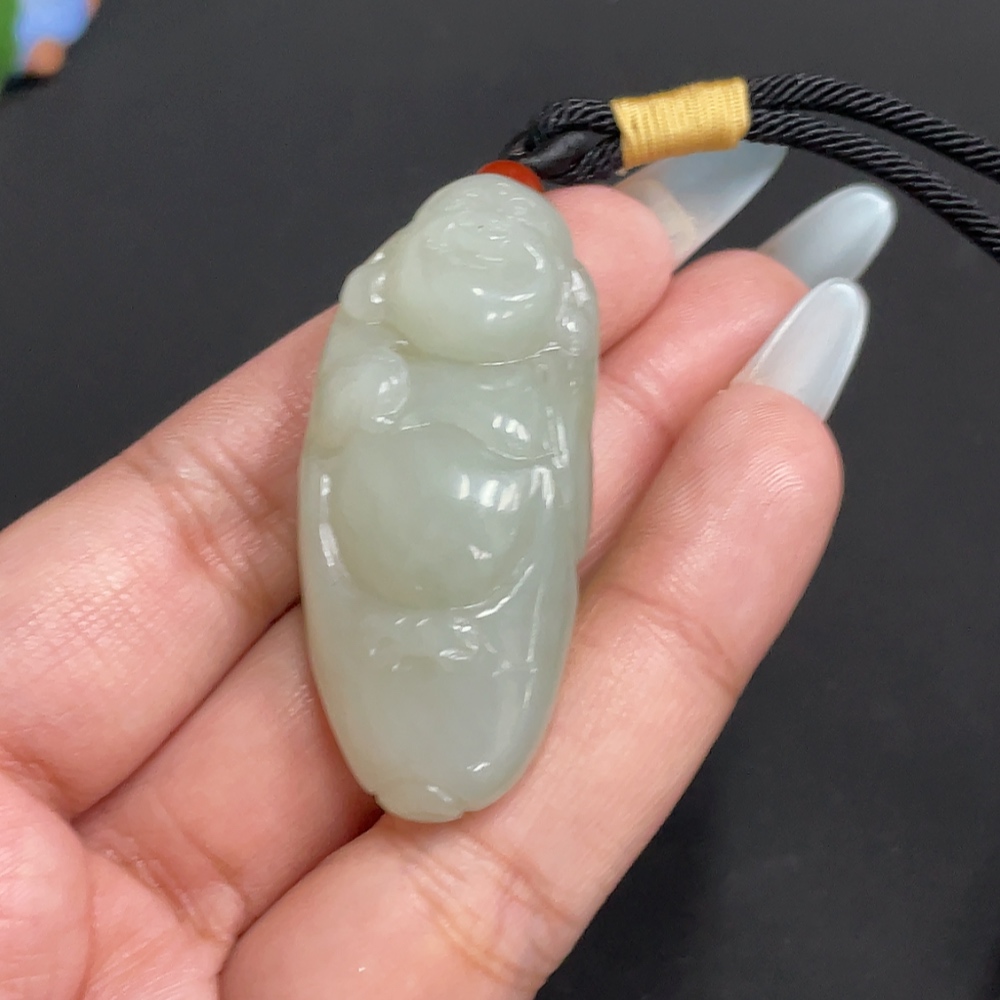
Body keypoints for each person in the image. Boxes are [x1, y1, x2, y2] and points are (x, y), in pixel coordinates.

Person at [0, 143, 895, 997]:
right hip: (390, 562)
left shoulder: (541, 361)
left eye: (508, 254)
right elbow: (339, 463)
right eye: (457, 244)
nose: (481, 260)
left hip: (479, 576)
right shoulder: (378, 351)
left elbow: (553, 478)